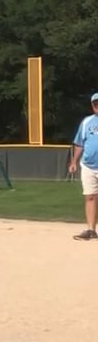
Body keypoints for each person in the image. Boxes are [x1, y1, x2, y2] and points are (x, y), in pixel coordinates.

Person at [73, 92, 98, 241]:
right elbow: (79, 143)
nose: (97, 106)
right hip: (88, 166)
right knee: (90, 196)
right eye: (95, 104)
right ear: (92, 105)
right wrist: (74, 161)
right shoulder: (86, 122)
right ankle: (91, 230)